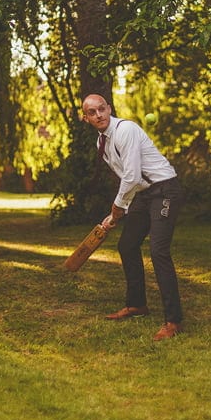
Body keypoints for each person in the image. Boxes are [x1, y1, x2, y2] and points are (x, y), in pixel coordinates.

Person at [81, 94, 185, 341]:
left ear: (109, 108)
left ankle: (173, 320)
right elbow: (131, 181)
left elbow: (131, 176)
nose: (99, 115)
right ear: (86, 118)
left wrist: (117, 209)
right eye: (92, 113)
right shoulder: (102, 143)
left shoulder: (125, 129)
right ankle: (137, 304)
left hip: (164, 189)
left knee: (159, 251)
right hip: (144, 193)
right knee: (127, 245)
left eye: (102, 109)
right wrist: (119, 209)